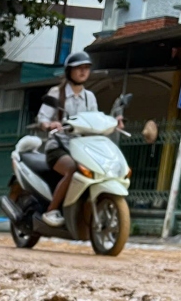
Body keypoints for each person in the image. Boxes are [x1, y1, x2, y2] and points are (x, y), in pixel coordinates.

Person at [36, 51, 120, 228]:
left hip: (83, 147)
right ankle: (52, 210)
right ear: (69, 71)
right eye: (79, 68)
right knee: (74, 169)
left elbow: (96, 119)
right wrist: (50, 125)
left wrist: (113, 122)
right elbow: (42, 119)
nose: (83, 72)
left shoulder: (90, 96)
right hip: (58, 147)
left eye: (87, 68)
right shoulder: (56, 93)